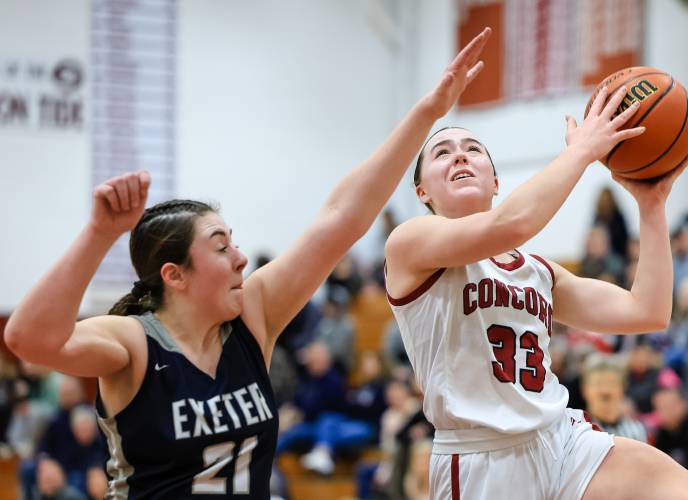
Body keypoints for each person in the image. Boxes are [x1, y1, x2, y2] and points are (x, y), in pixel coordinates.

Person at [3, 28, 493, 499]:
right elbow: (28, 338)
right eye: (220, 247)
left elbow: (342, 218)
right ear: (174, 275)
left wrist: (429, 111)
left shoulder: (252, 317)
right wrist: (100, 233)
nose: (240, 258)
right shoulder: (133, 341)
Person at [384, 83, 688, 498]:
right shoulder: (410, 243)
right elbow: (512, 223)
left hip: (560, 439)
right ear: (422, 193)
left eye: (473, 148)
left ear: (496, 182)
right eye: (442, 152)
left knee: (680, 490)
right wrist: (580, 152)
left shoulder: (539, 272)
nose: (460, 154)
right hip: (482, 460)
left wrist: (652, 205)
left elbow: (646, 310)